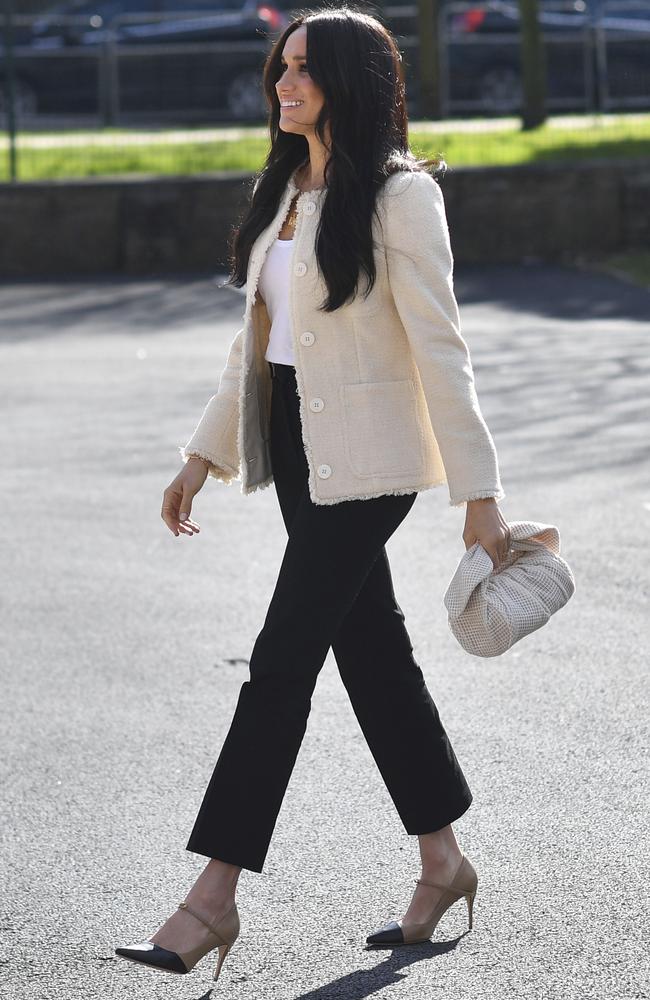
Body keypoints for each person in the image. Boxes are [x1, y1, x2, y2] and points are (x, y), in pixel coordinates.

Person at [115, 5, 511, 980]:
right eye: (279, 67)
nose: (282, 85)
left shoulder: (399, 198)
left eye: (304, 69)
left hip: (368, 465)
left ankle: (211, 897)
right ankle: (442, 858)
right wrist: (202, 456)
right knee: (370, 655)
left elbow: (441, 352)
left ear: (351, 83)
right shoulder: (288, 186)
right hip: (295, 448)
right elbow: (254, 346)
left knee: (280, 660)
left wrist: (478, 492)